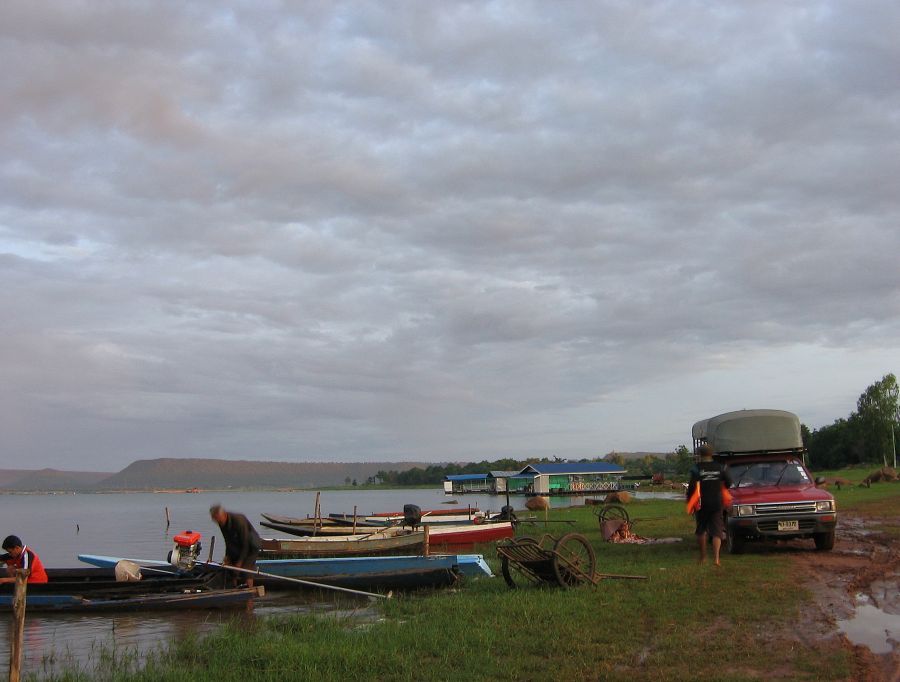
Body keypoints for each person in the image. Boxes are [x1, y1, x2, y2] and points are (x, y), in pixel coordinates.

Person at [687, 445, 734, 566]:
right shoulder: (720, 467)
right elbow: (729, 483)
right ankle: (716, 559)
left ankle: (703, 557)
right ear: (711, 454)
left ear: (700, 454)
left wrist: (689, 502)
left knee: (701, 530)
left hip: (702, 503)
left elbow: (692, 487)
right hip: (717, 502)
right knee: (717, 531)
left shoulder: (697, 468)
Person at [209, 505, 261, 587]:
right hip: (237, 544)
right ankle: (234, 590)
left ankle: (249, 596)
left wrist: (240, 562)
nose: (216, 521)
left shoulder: (238, 520)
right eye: (214, 519)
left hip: (251, 545)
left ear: (223, 515)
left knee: (246, 570)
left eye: (217, 518)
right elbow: (227, 540)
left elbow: (245, 543)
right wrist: (227, 556)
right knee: (231, 569)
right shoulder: (221, 522)